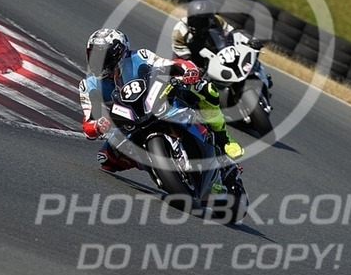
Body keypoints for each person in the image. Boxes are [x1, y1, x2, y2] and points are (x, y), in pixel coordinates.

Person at [79, 28, 244, 173]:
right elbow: (88, 125)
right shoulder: (89, 85)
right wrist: (98, 125)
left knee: (205, 89)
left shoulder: (139, 56)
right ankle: (154, 165)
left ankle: (224, 139)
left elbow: (170, 64)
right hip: (128, 120)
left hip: (156, 100)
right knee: (106, 159)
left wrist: (188, 70)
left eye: (103, 56)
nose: (97, 61)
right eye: (93, 55)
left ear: (118, 53)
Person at [171, 0, 236, 69]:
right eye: (194, 20)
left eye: (202, 22)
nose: (197, 24)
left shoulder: (217, 21)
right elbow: (179, 49)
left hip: (210, 53)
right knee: (179, 69)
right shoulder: (180, 29)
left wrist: (231, 46)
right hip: (187, 55)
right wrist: (191, 63)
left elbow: (229, 32)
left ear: (211, 19)